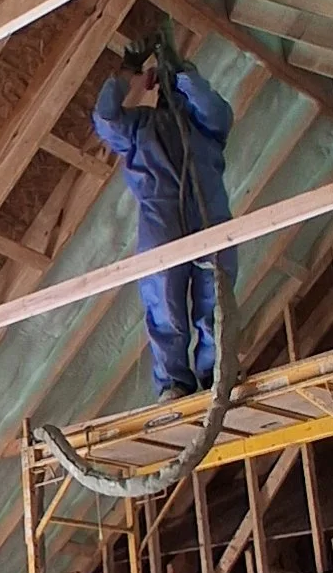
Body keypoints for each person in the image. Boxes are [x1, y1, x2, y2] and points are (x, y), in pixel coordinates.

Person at [90, 31, 236, 399]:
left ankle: (216, 373)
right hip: (161, 218)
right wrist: (128, 72)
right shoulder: (140, 126)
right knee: (164, 299)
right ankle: (174, 382)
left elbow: (216, 109)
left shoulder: (206, 124)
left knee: (215, 297)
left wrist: (183, 72)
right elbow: (106, 117)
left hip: (208, 215)